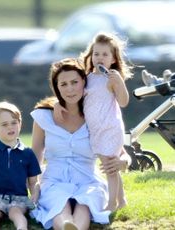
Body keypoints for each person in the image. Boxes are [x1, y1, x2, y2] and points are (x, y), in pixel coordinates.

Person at [30, 58, 131, 230]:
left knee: (85, 205)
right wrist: (34, 186)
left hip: (88, 180)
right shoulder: (43, 117)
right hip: (54, 179)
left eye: (75, 82)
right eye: (64, 84)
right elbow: (34, 158)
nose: (70, 89)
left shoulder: (96, 116)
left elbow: (120, 151)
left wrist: (124, 162)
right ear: (57, 87)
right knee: (59, 206)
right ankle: (65, 226)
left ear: (84, 81)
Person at [54, 33, 132, 212]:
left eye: (105, 55)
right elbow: (74, 95)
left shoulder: (110, 79)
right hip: (95, 130)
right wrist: (58, 103)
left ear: (113, 59)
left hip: (109, 128)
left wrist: (119, 82)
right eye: (96, 54)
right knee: (110, 164)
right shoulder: (87, 78)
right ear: (90, 56)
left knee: (109, 166)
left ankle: (112, 204)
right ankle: (122, 200)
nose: (100, 58)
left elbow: (123, 101)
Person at [0, 101, 41, 230]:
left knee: (16, 213)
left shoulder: (28, 153)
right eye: (4, 124)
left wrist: (34, 196)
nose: (10, 127)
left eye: (14, 123)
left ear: (20, 124)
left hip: (19, 198)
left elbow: (33, 182)